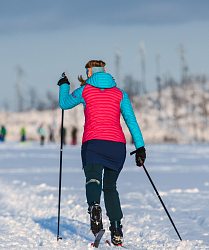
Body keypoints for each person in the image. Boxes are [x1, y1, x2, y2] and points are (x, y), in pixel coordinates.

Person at [58, 60, 146, 246]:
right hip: (116, 147)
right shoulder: (120, 94)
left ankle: (94, 208)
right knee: (110, 188)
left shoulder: (85, 91)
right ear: (105, 72)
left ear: (90, 73)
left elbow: (64, 104)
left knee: (93, 180)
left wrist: (64, 85)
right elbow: (131, 120)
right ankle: (116, 229)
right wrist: (140, 147)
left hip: (93, 143)